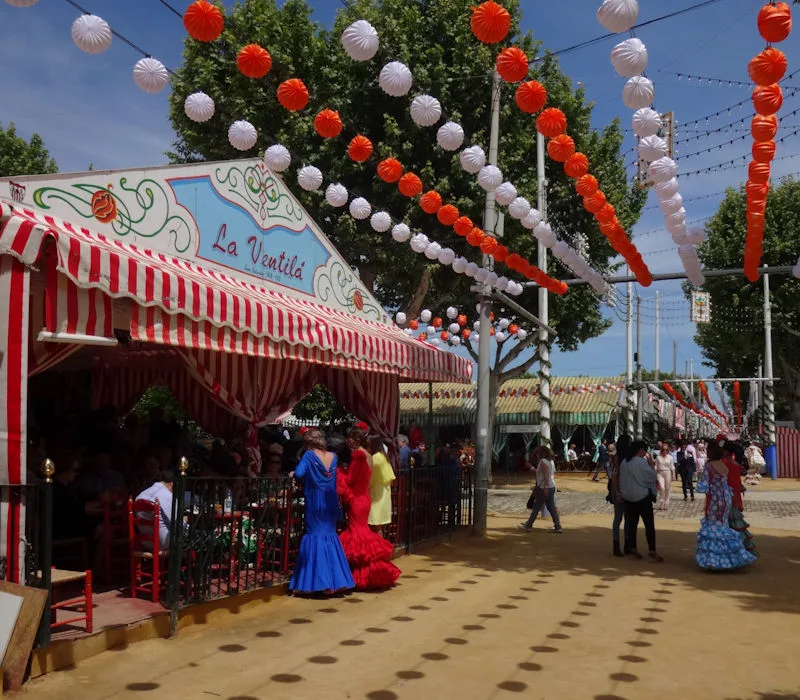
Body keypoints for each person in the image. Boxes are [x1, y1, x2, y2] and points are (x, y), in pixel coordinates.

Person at [288, 429, 354, 595]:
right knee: (330, 537)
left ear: (308, 443)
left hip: (316, 501)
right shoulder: (334, 456)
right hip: (330, 501)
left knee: (315, 537)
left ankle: (319, 583)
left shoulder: (309, 456)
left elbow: (299, 473)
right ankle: (337, 582)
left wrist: (292, 473)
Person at [337, 428, 400, 589]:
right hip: (364, 498)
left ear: (355, 440)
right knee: (362, 533)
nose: (347, 441)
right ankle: (365, 574)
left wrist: (338, 473)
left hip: (357, 499)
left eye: (350, 438)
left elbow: (351, 479)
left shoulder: (358, 455)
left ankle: (363, 576)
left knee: (358, 535)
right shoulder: (369, 455)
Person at [695, 437, 758, 571]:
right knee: (723, 526)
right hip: (726, 498)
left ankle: (715, 561)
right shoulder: (725, 465)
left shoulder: (709, 465)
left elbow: (704, 485)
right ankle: (729, 559)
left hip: (715, 500)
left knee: (713, 526)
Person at [619, 440, 663, 562]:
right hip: (642, 496)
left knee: (631, 524)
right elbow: (651, 476)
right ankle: (652, 550)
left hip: (628, 497)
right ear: (641, 450)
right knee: (649, 524)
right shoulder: (641, 462)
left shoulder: (624, 462)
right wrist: (651, 465)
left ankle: (632, 547)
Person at [723, 440, 758, 558]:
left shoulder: (722, 464)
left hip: (725, 496)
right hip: (735, 496)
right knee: (736, 524)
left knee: (726, 524)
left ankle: (729, 554)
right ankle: (741, 552)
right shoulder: (736, 465)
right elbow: (737, 482)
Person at [518, 446, 562, 533]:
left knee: (537, 507)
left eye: (537, 453)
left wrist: (545, 487)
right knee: (551, 507)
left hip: (544, 487)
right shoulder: (551, 462)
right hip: (551, 486)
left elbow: (546, 475)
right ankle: (557, 526)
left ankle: (528, 525)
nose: (536, 455)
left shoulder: (543, 462)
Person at [135, 468, 177, 551]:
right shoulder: (168, 495)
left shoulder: (140, 496)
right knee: (188, 534)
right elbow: (176, 523)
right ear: (172, 484)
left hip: (144, 541)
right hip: (162, 543)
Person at [368, 436, 396, 536]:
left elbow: (370, 480)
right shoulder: (384, 457)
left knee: (375, 525)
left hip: (376, 495)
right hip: (383, 495)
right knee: (378, 525)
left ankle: (380, 549)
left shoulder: (375, 458)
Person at [607, 438, 628, 557]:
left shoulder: (620, 458)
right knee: (619, 517)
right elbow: (614, 477)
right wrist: (618, 493)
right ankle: (617, 545)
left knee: (624, 518)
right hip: (619, 491)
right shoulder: (617, 458)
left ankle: (625, 543)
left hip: (623, 490)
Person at [654, 444, 677, 511]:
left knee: (667, 488)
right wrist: (653, 473)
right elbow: (656, 466)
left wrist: (674, 475)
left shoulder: (670, 457)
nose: (665, 451)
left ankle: (666, 503)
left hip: (667, 473)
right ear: (661, 450)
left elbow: (672, 467)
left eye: (666, 450)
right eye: (663, 449)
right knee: (662, 487)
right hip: (660, 473)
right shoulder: (658, 457)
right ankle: (661, 501)